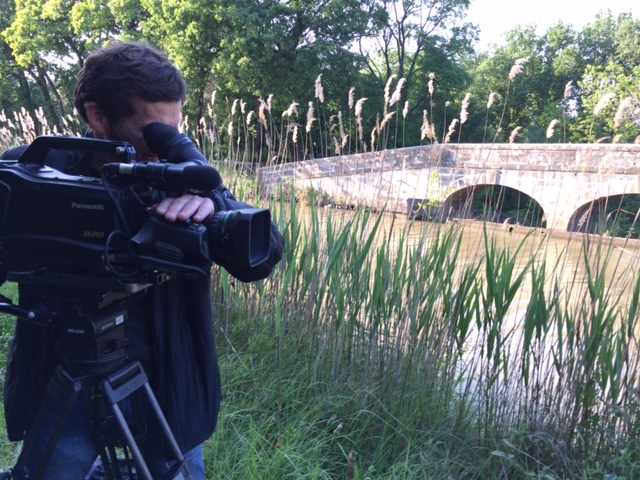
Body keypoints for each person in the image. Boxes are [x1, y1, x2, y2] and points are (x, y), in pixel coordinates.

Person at [0, 41, 284, 479]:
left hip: (165, 388)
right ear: (98, 116)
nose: (163, 146)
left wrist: (212, 204)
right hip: (62, 381)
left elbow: (264, 254)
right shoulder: (34, 171)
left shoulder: (180, 177)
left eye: (173, 130)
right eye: (152, 130)